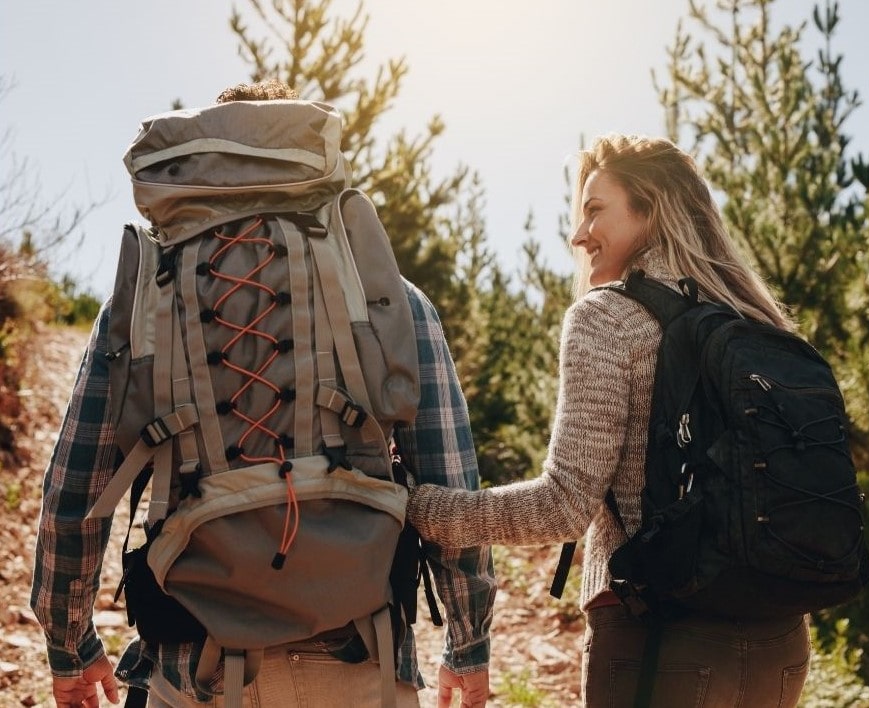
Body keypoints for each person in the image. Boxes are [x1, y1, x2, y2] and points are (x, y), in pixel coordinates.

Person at [30, 80, 495, 708]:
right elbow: (450, 479)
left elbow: (75, 486)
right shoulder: (385, 295)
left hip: (196, 662)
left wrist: (70, 641)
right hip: (361, 655)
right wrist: (469, 642)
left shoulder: (142, 302)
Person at [407, 134, 811, 707]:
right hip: (780, 638)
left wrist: (427, 510)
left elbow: (565, 504)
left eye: (595, 210)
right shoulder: (755, 317)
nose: (578, 235)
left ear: (651, 208)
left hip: (658, 637)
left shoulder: (608, 317)